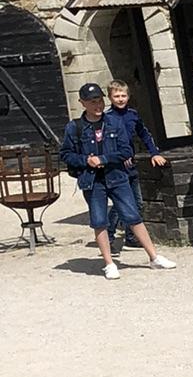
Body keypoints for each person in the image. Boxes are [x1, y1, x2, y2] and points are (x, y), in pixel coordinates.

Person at [59, 81, 176, 280]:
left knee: (133, 216)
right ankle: (109, 263)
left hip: (117, 176)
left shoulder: (114, 122)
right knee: (99, 221)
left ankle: (154, 257)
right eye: (92, 102)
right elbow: (66, 154)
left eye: (99, 100)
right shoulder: (75, 127)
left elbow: (126, 150)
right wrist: (85, 160)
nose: (97, 105)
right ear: (82, 103)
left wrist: (104, 159)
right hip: (92, 181)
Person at [105, 79, 167, 256]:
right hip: (117, 167)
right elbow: (107, 144)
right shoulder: (107, 118)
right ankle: (108, 239)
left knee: (137, 202)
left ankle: (131, 238)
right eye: (116, 96)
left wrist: (154, 152)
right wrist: (118, 157)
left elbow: (144, 134)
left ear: (128, 96)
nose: (120, 99)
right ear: (110, 97)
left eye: (123, 95)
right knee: (119, 204)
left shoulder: (133, 115)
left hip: (131, 165)